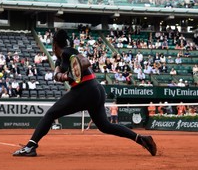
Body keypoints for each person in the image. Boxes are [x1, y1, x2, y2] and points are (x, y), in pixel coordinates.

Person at [12, 29, 157, 157]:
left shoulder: (68, 51)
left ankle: (30, 147)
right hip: (96, 89)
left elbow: (86, 62)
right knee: (105, 126)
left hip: (86, 89)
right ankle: (141, 139)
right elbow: (57, 74)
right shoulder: (60, 59)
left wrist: (70, 75)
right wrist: (62, 76)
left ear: (54, 44)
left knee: (51, 114)